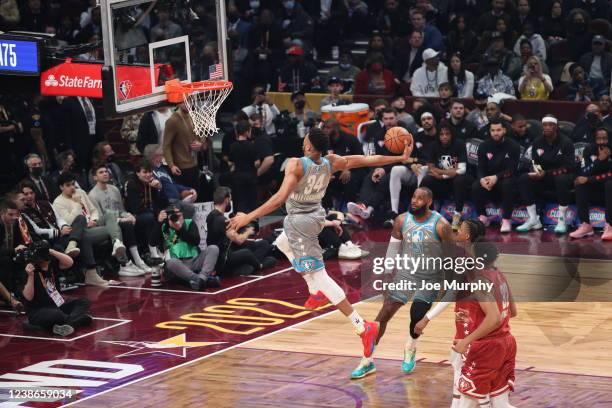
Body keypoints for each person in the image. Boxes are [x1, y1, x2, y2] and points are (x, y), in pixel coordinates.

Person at [228, 127, 413, 360]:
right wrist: (399, 157)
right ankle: (314, 291)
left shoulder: (296, 164)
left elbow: (278, 199)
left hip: (300, 223)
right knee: (282, 242)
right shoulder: (331, 162)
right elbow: (366, 160)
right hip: (315, 217)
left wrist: (248, 217)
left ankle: (361, 326)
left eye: (305, 139)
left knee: (321, 276)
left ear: (307, 146)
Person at [350, 187, 454, 379]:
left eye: (420, 199)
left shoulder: (442, 225)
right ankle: (367, 361)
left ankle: (410, 346)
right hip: (407, 273)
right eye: (414, 197)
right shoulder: (401, 220)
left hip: (431, 276)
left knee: (416, 315)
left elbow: (450, 256)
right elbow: (393, 248)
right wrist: (387, 273)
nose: (415, 201)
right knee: (383, 315)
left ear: (429, 202)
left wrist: (447, 282)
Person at [413, 219, 488, 407]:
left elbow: (451, 293)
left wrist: (426, 318)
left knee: (464, 369)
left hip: (472, 322)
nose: (456, 232)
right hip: (469, 321)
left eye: (460, 229)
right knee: (457, 363)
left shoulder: (469, 262)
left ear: (467, 236)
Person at [453, 240, 517, 408]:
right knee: (501, 404)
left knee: (465, 403)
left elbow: (494, 318)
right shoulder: (499, 275)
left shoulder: (479, 281)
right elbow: (513, 311)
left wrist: (466, 341)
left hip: (486, 349)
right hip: (506, 343)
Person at [53, 173, 125, 286]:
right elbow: (69, 222)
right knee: (113, 228)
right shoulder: (58, 202)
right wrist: (77, 204)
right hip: (80, 231)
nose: (72, 187)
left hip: (92, 224)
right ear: (61, 187)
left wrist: (94, 220)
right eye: (68, 185)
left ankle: (117, 243)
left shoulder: (80, 192)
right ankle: (122, 262)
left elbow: (93, 210)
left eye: (73, 184)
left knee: (110, 215)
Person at [19, 241, 93, 337]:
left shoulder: (52, 263)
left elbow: (70, 262)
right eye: (42, 261)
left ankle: (68, 324)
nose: (45, 263)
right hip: (38, 310)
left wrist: (52, 251)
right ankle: (76, 320)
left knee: (84, 301)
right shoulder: (29, 270)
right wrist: (30, 276)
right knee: (57, 315)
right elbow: (28, 297)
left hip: (56, 303)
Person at [88, 164, 151, 276]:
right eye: (101, 172)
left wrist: (129, 215)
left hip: (119, 218)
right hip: (106, 224)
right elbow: (99, 218)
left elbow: (121, 209)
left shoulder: (114, 189)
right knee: (126, 225)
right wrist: (120, 219)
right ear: (95, 177)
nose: (105, 174)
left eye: (106, 171)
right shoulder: (92, 195)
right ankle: (130, 262)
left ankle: (143, 257)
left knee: (136, 220)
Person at [517, 115, 575, 234]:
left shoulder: (566, 142)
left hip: (562, 175)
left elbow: (569, 167)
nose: (547, 127)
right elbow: (534, 162)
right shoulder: (537, 142)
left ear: (556, 126)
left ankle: (562, 219)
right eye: (545, 125)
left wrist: (547, 173)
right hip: (543, 176)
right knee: (524, 178)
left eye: (551, 125)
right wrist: (535, 171)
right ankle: (533, 219)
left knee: (561, 179)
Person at [206, 187, 276, 277]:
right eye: (230, 199)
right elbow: (239, 240)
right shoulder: (220, 220)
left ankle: (249, 265)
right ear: (226, 200)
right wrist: (248, 231)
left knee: (263, 244)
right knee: (248, 253)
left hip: (227, 250)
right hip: (223, 259)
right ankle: (258, 265)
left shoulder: (213, 216)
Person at [150, 205, 220, 290]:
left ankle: (201, 278)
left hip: (195, 260)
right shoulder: (163, 227)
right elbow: (152, 243)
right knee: (171, 262)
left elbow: (196, 241)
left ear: (182, 214)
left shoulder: (189, 222)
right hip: (177, 265)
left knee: (213, 248)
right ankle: (200, 280)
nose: (177, 218)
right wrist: (159, 222)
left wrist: (180, 229)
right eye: (174, 216)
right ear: (168, 218)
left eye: (179, 215)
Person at [471, 119, 521, 233]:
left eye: (498, 130)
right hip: (489, 180)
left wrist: (496, 177)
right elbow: (480, 167)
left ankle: (506, 219)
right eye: (493, 130)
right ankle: (483, 217)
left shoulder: (514, 146)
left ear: (504, 130)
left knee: (508, 183)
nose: (495, 133)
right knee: (476, 185)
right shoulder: (483, 146)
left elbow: (512, 170)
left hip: (506, 178)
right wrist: (482, 179)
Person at [421, 125, 469, 231]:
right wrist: (449, 172)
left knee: (460, 179)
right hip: (441, 182)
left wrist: (442, 175)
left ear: (452, 135)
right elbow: (430, 168)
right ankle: (429, 213)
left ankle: (457, 216)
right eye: (441, 134)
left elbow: (461, 169)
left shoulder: (459, 144)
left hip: (454, 182)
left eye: (447, 134)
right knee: (427, 180)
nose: (444, 137)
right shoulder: (434, 145)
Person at [570, 127, 612, 240]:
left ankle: (610, 225)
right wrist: (599, 159)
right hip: (596, 186)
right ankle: (585, 225)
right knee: (580, 183)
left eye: (605, 139)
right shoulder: (589, 149)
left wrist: (589, 179)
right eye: (599, 139)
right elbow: (584, 172)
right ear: (594, 139)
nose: (602, 142)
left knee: (610, 184)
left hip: (608, 186)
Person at [18, 181, 80, 258]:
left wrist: (64, 226)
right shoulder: (24, 212)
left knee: (80, 219)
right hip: (50, 239)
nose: (30, 196)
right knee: (83, 237)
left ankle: (72, 244)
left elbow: (59, 218)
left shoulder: (45, 203)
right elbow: (38, 231)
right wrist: (59, 232)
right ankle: (86, 265)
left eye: (32, 193)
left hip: (62, 233)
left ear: (35, 193)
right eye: (26, 194)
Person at [124, 160, 168, 257]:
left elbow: (164, 202)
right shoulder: (131, 184)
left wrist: (159, 188)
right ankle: (152, 250)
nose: (148, 175)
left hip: (150, 212)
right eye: (145, 172)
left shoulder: (153, 183)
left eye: (150, 172)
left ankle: (166, 248)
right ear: (138, 173)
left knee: (167, 213)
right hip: (134, 216)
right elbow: (135, 208)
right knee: (151, 217)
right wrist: (156, 213)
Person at [162, 103, 204, 190]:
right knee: (187, 197)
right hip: (181, 168)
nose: (187, 103)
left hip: (195, 164)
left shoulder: (194, 116)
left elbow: (201, 136)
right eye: (184, 100)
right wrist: (171, 165)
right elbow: (166, 145)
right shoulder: (173, 120)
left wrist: (200, 144)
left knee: (196, 194)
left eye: (189, 100)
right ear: (179, 102)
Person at [226, 120, 260, 213]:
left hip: (238, 177)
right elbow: (257, 163)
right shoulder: (252, 145)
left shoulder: (232, 146)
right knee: (252, 201)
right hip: (250, 176)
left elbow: (230, 163)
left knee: (240, 202)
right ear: (247, 132)